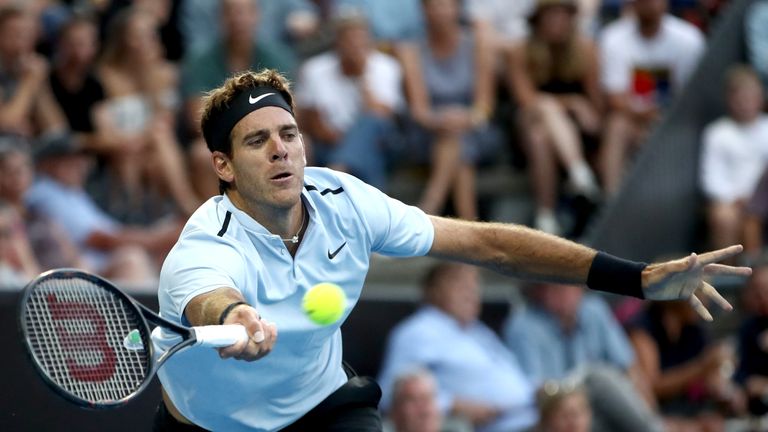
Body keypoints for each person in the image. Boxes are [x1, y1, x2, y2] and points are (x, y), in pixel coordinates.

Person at [150, 67, 750, 431]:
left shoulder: (344, 201)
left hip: (320, 410)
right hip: (208, 427)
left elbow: (490, 245)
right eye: (257, 141)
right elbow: (209, 298)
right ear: (223, 166)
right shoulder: (205, 246)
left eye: (288, 133)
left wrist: (638, 279)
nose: (281, 150)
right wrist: (237, 317)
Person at [378, 263, 538, 432]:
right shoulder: (417, 331)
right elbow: (389, 395)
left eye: (475, 284)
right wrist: (453, 405)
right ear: (434, 291)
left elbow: (515, 382)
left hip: (532, 418)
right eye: (461, 283)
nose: (471, 291)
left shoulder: (480, 331)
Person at [25, 132, 180, 286]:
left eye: (80, 158)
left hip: (99, 270)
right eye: (68, 160)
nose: (79, 164)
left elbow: (113, 229)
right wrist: (155, 240)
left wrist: (161, 235)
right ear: (47, 164)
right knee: (132, 257)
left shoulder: (74, 192)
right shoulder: (45, 192)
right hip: (75, 277)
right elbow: (99, 239)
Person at [396, 0, 498, 220]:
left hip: (476, 130)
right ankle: (469, 232)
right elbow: (419, 112)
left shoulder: (477, 44)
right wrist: (443, 120)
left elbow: (485, 106)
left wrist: (466, 118)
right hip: (427, 134)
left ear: (457, 8)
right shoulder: (410, 51)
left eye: (446, 4)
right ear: (423, 11)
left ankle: (429, 209)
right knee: (457, 146)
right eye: (433, 5)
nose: (440, 11)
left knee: (457, 141)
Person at [508, 0, 602, 235]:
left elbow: (597, 105)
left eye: (563, 15)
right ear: (538, 20)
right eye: (551, 15)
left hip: (575, 133)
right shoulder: (520, 51)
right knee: (544, 108)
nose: (557, 21)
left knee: (541, 137)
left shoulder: (586, 49)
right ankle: (579, 173)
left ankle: (545, 216)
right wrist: (571, 102)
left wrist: (583, 108)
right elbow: (526, 100)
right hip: (527, 123)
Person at [598, 0, 705, 195]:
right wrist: (646, 117)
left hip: (674, 123)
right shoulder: (613, 37)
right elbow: (615, 97)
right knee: (616, 125)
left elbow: (691, 95)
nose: (649, 4)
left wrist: (660, 119)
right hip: (633, 119)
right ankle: (611, 200)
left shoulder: (689, 38)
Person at [296, 11, 403, 189]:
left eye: (360, 40)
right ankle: (371, 208)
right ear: (337, 43)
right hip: (331, 144)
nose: (355, 46)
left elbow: (382, 115)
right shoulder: (314, 69)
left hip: (382, 142)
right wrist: (350, 144)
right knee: (366, 155)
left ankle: (337, 172)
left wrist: (363, 77)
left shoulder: (386, 66)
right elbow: (314, 123)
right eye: (349, 40)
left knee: (370, 123)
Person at [699, 65, 768, 252]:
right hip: (732, 202)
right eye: (740, 98)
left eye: (751, 97)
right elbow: (711, 178)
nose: (746, 103)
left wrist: (756, 201)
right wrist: (736, 198)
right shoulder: (717, 132)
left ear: (760, 97)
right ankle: (728, 276)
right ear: (729, 99)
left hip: (763, 199)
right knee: (723, 217)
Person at [383, 367, 472, 432]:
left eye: (428, 399)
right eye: (414, 401)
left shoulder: (458, 428)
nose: (425, 411)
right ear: (394, 412)